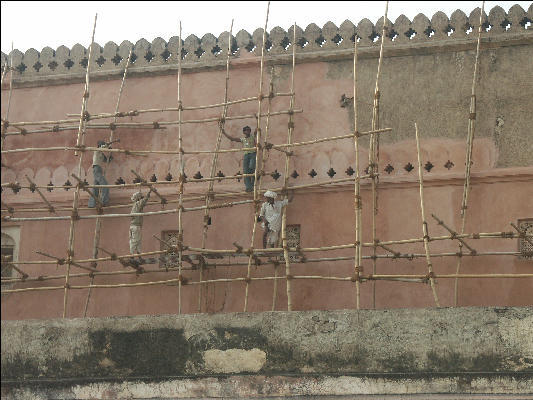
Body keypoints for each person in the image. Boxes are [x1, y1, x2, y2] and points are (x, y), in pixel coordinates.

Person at [221, 124, 256, 192]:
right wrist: (224, 133)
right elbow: (232, 139)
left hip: (252, 154)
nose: (248, 132)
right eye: (246, 131)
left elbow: (257, 130)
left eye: (249, 130)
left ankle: (252, 185)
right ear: (244, 132)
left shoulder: (252, 137)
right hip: (246, 155)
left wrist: (257, 119)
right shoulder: (242, 139)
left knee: (252, 168)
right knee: (246, 171)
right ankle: (248, 187)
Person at [88, 140, 112, 208]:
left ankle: (91, 204)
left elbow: (106, 160)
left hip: (99, 169)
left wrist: (110, 155)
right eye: (102, 144)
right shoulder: (97, 150)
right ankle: (104, 201)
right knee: (105, 184)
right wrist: (108, 145)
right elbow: (104, 147)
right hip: (96, 168)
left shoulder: (101, 153)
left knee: (95, 187)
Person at [129, 189, 153, 255]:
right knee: (135, 241)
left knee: (137, 241)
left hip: (134, 226)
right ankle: (132, 255)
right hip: (136, 226)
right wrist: (149, 192)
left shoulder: (136, 206)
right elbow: (144, 200)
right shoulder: (137, 204)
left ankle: (138, 255)